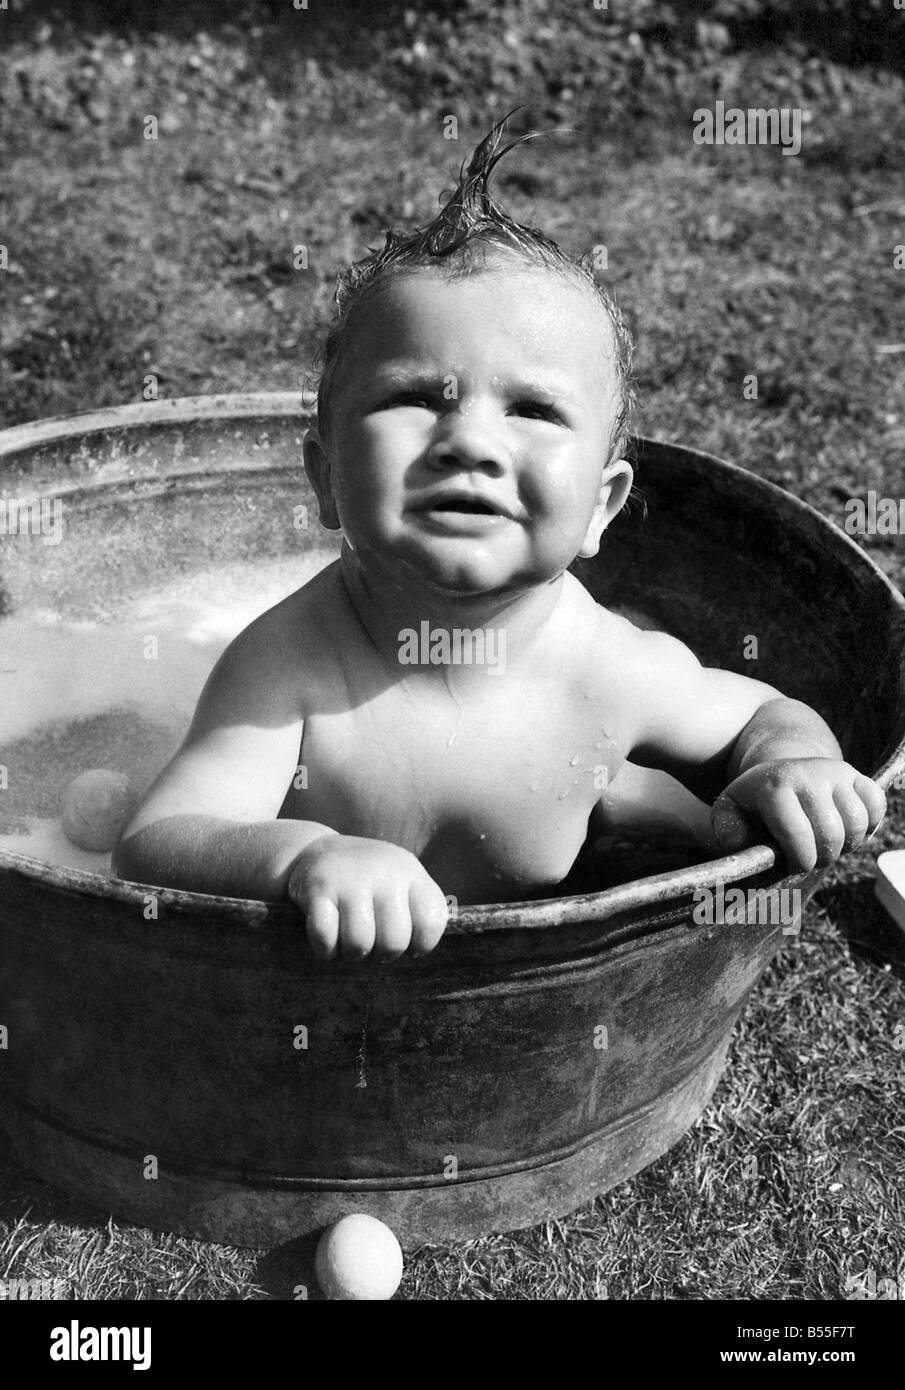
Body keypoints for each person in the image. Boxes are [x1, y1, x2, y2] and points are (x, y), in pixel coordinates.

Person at [112, 121, 886, 959]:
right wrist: (302, 855)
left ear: (601, 507)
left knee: (651, 814)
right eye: (414, 394)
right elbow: (158, 841)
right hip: (323, 1010)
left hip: (554, 985)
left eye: (532, 409)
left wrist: (791, 763)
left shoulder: (605, 666)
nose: (470, 443)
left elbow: (764, 713)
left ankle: (629, 809)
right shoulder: (291, 665)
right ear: (326, 479)